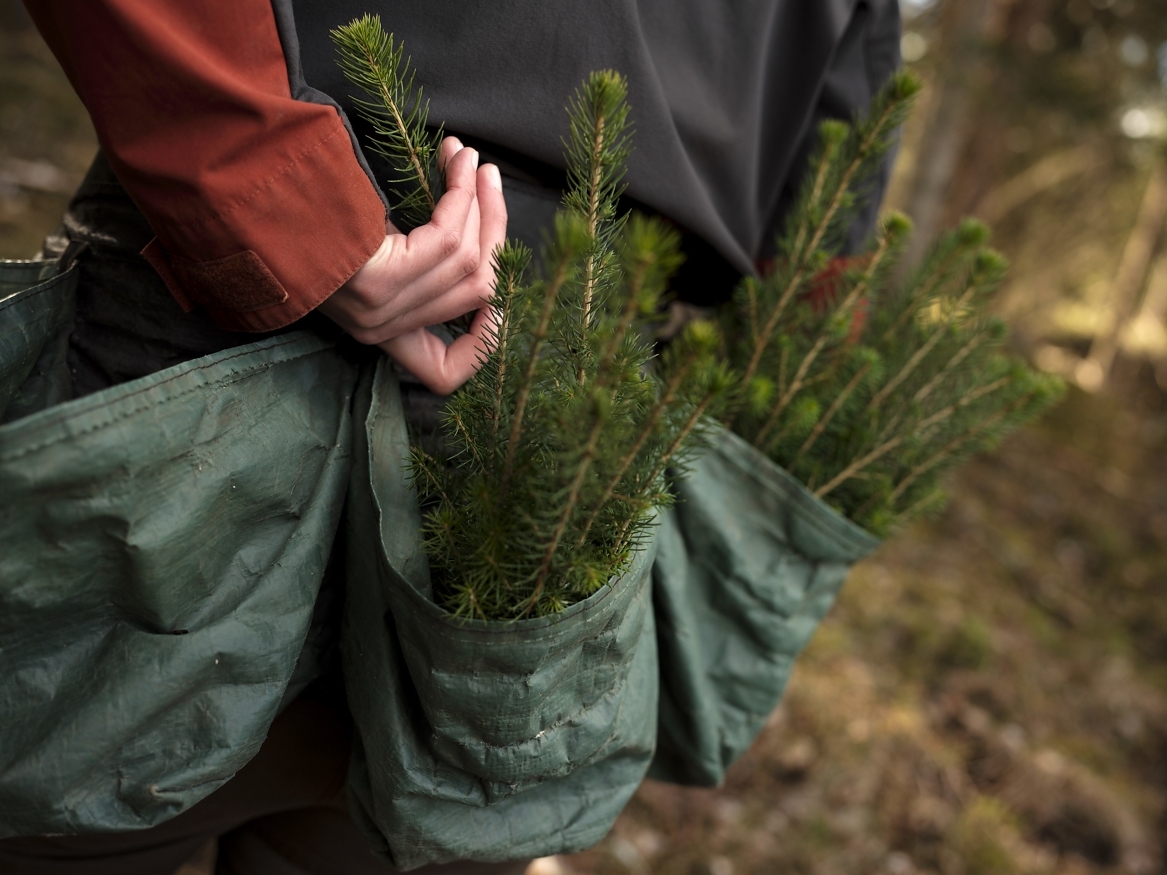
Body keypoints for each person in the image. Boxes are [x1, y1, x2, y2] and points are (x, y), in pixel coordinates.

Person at [1, 1, 901, 872]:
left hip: (227, 349)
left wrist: (287, 203)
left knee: (53, 814)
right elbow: (819, 278)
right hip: (512, 393)